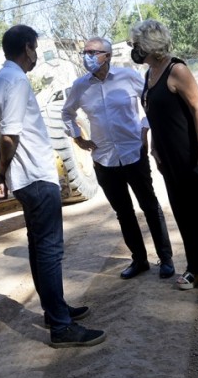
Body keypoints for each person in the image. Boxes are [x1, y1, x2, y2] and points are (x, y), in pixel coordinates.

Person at [0, 25, 106, 347]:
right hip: (36, 178)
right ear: (27, 48)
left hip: (25, 180)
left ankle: (56, 312)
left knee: (40, 250)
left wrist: (1, 175)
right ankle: (61, 328)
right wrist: (3, 170)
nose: (36, 55)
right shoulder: (15, 81)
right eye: (35, 48)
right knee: (50, 252)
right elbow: (8, 136)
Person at [128, 19, 198, 297]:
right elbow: (154, 115)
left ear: (151, 45)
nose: (134, 49)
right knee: (183, 213)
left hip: (190, 154)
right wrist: (154, 147)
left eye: (137, 44)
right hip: (168, 158)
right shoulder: (149, 74)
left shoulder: (177, 69)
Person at [61, 36, 175, 280]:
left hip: (134, 152)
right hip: (104, 160)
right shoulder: (80, 86)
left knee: (149, 206)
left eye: (93, 52)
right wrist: (78, 138)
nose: (87, 56)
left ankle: (166, 258)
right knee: (123, 213)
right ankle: (140, 260)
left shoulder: (129, 77)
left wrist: (145, 129)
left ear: (108, 56)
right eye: (85, 52)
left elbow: (150, 103)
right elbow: (67, 113)